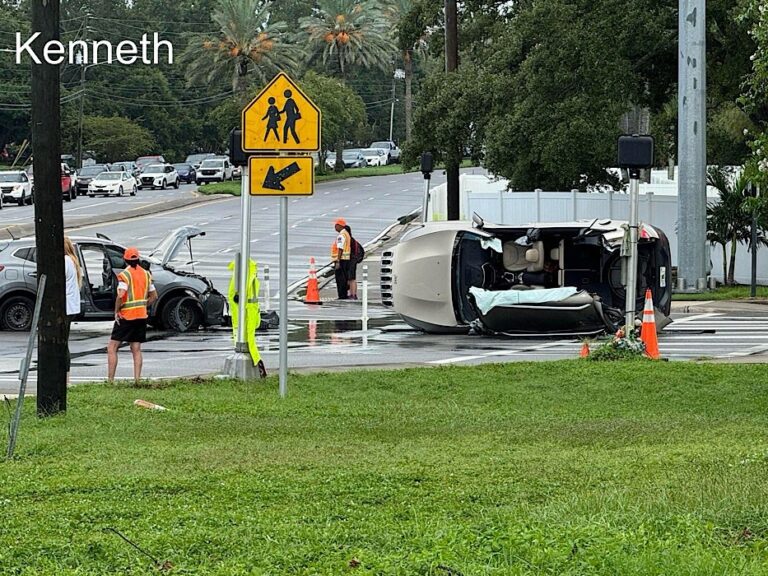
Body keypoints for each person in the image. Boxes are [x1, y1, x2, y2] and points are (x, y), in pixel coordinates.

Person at [107, 247, 157, 384]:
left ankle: (110, 380)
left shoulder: (125, 275)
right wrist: (143, 305)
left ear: (125, 259)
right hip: (141, 315)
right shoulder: (146, 274)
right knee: (136, 349)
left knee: (112, 347)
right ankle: (137, 380)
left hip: (127, 316)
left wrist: (117, 310)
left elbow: (121, 294)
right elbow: (154, 296)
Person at [63, 236, 82, 385]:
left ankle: (65, 378)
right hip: (72, 306)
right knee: (64, 342)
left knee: (61, 343)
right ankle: (66, 378)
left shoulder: (64, 261)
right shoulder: (73, 261)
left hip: (65, 306)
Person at [331, 218, 351, 299]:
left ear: (339, 226)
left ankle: (342, 295)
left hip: (341, 260)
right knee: (344, 278)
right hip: (345, 259)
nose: (335, 227)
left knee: (340, 279)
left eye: (335, 225)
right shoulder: (346, 234)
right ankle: (344, 295)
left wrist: (338, 261)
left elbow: (340, 248)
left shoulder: (341, 235)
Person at [344, 224, 359, 300]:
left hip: (350, 261)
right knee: (352, 278)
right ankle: (353, 294)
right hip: (354, 260)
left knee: (351, 279)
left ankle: (352, 294)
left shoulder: (348, 240)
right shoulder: (352, 239)